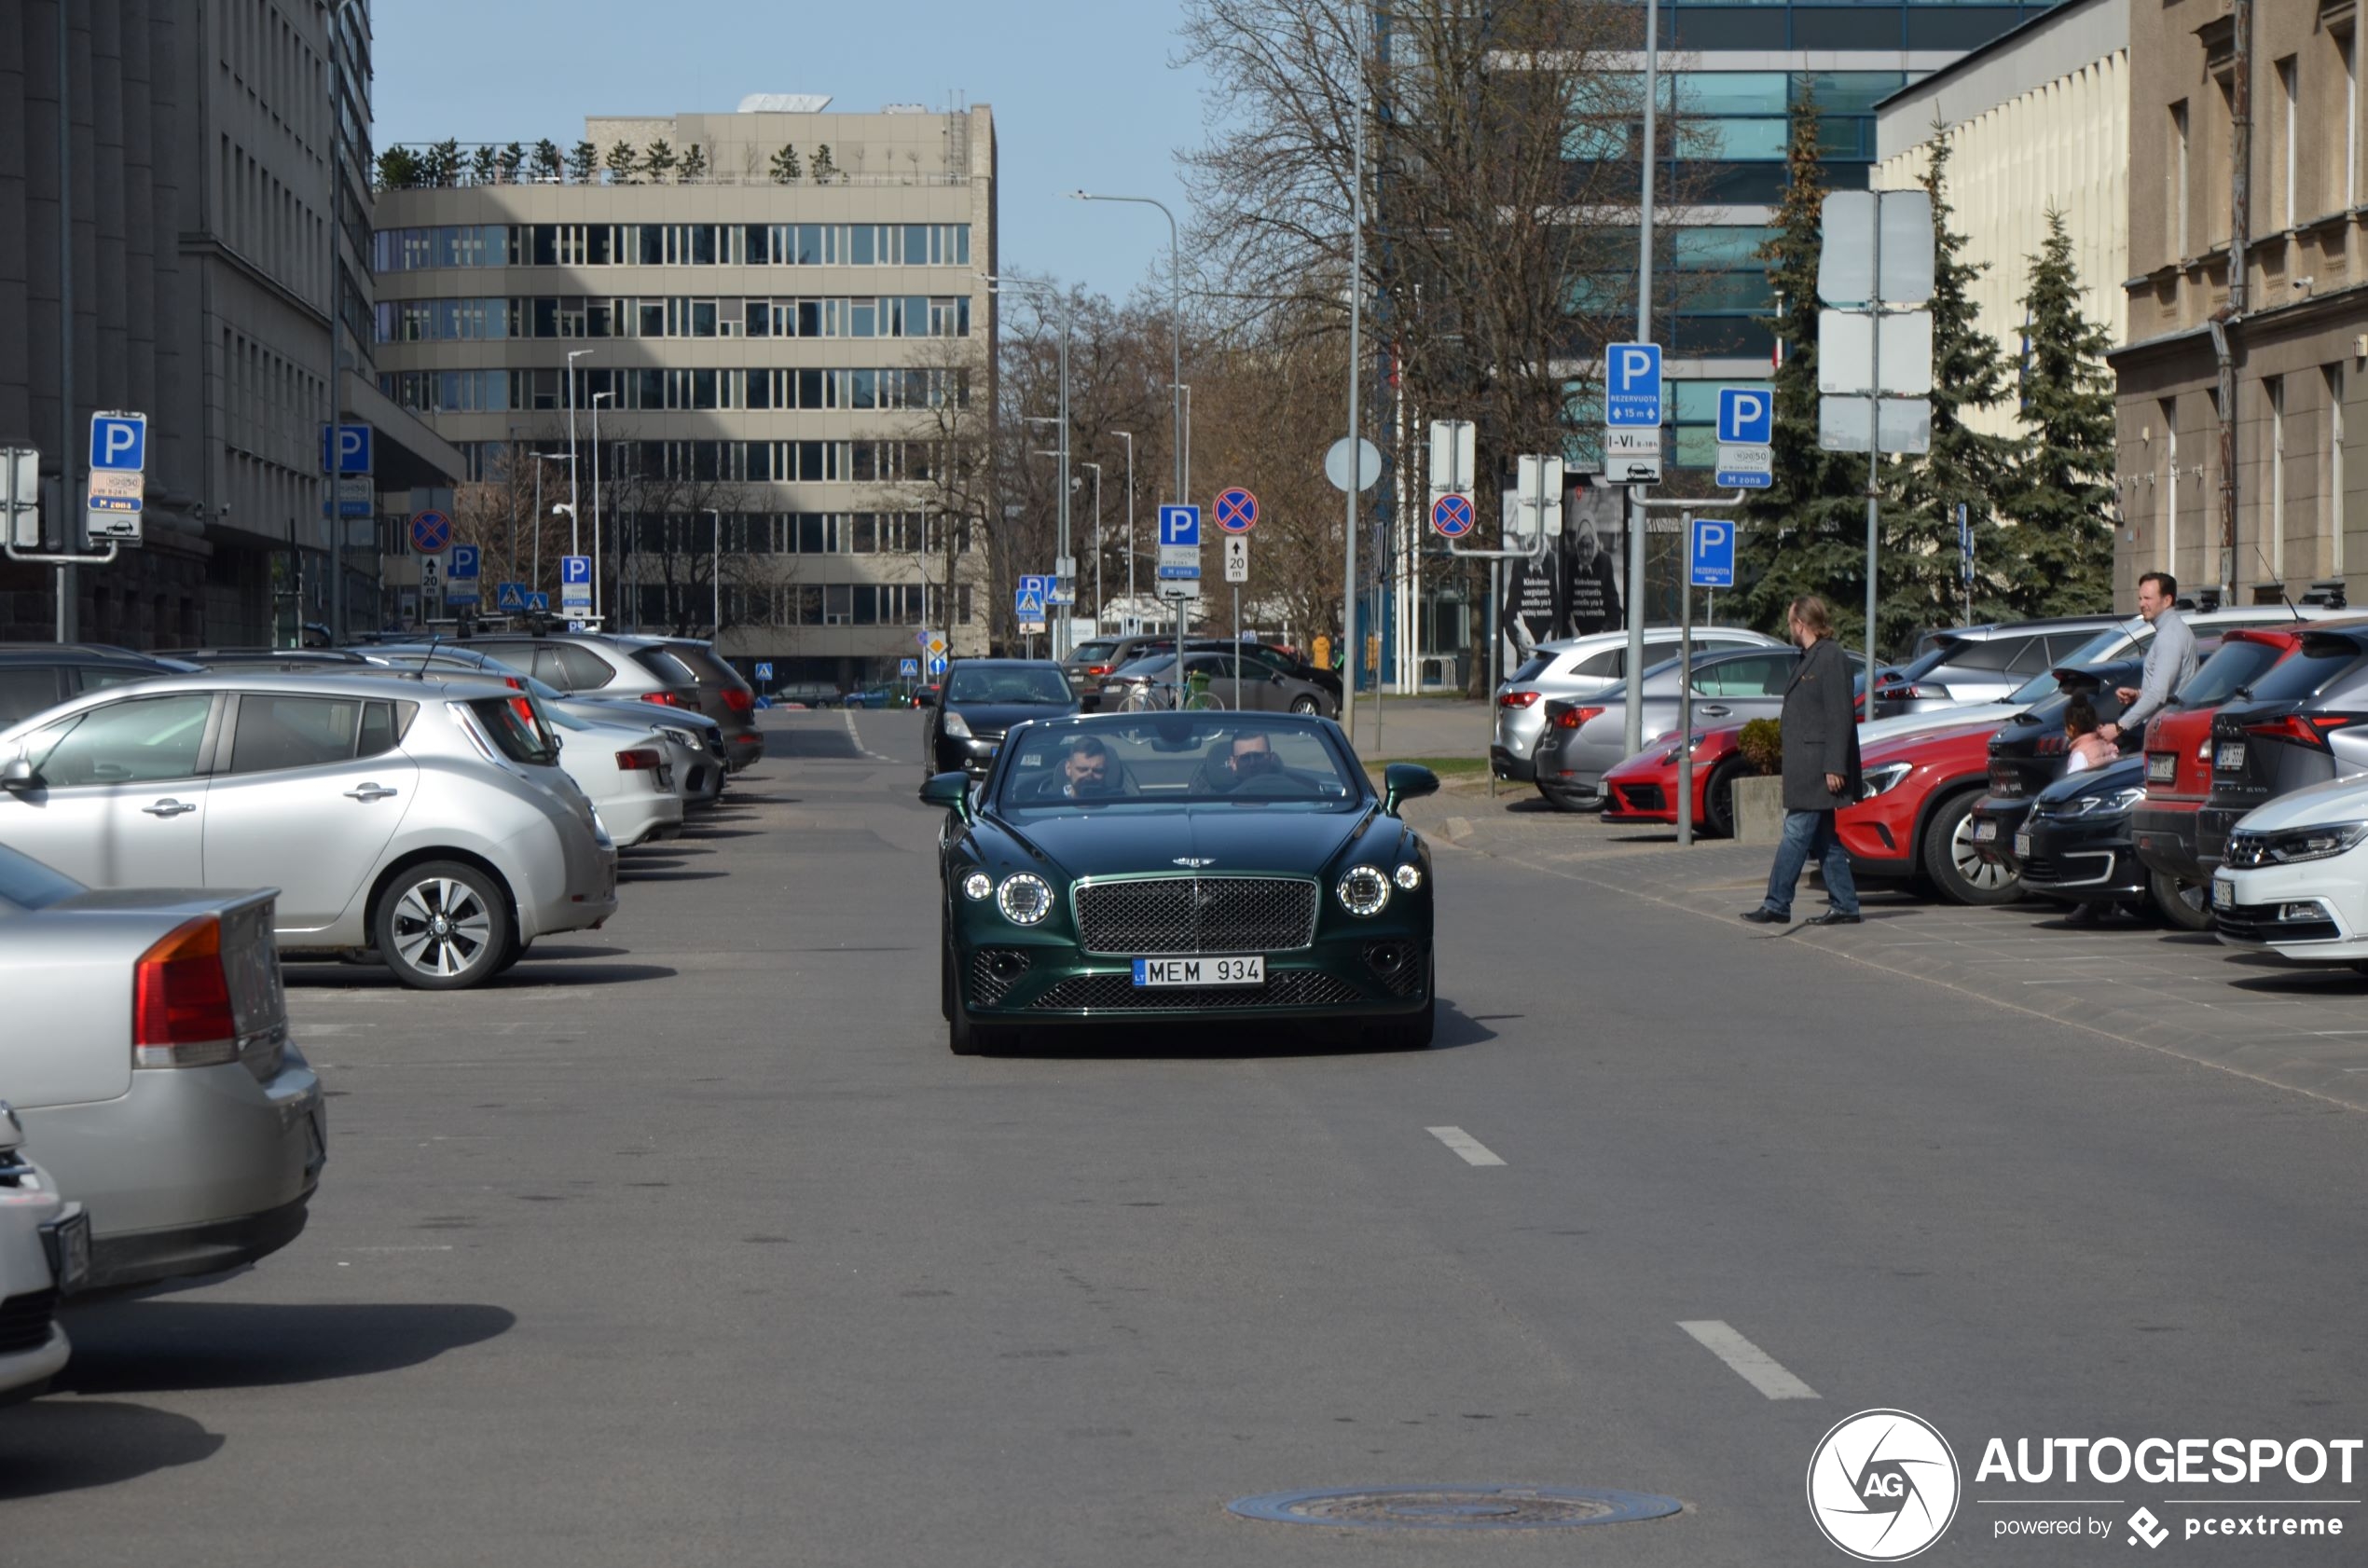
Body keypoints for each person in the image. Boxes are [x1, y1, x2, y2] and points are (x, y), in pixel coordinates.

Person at [1743, 596, 1864, 928]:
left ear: (1801, 624)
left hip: (1818, 767)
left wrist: (1835, 765)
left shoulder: (1831, 657)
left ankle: (1777, 903)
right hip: (1806, 765)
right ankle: (1846, 905)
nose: (1788, 628)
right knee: (1824, 839)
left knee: (1795, 833)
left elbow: (1840, 715)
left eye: (1790, 622)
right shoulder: (1808, 657)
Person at [2097, 571, 2196, 746]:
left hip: (2166, 731)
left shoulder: (2170, 636)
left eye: (2148, 598)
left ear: (2167, 601)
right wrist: (2138, 694)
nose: (2142, 604)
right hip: (2166, 727)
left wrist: (2119, 727)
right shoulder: (2171, 631)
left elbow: (2158, 694)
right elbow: (2166, 689)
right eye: (2140, 598)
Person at [2062, 694, 2117, 772]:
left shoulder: (2080, 754)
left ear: (2072, 728)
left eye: (2065, 726)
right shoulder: (2105, 744)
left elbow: (2076, 781)